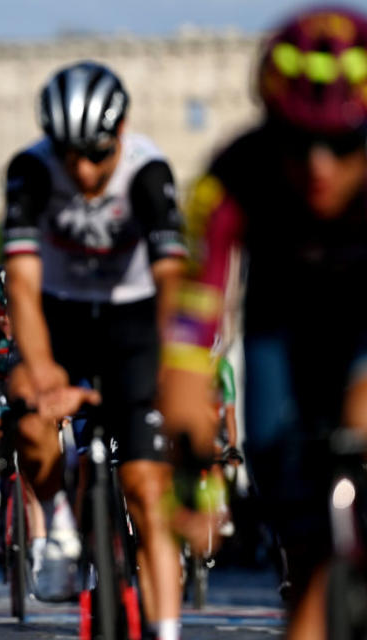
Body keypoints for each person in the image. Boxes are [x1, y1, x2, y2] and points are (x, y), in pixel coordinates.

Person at [159, 8, 367, 638]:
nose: (320, 166)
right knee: (301, 535)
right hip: (283, 320)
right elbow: (193, 321)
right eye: (298, 142)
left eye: (343, 145)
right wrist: (188, 450)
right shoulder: (232, 177)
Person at [2, 61, 187, 638]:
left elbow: (172, 284)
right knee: (27, 411)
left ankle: (167, 630)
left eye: (97, 155)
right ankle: (57, 518)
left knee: (147, 490)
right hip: (58, 311)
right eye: (69, 155)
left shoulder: (148, 171)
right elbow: (22, 285)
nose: (83, 171)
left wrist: (171, 365)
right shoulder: (30, 170)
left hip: (133, 318)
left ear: (122, 131)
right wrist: (41, 368)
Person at [0, 264, 79, 600]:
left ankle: (44, 547)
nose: (4, 320)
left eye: (9, 312)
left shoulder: (35, 317)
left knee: (38, 460)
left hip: (32, 386)